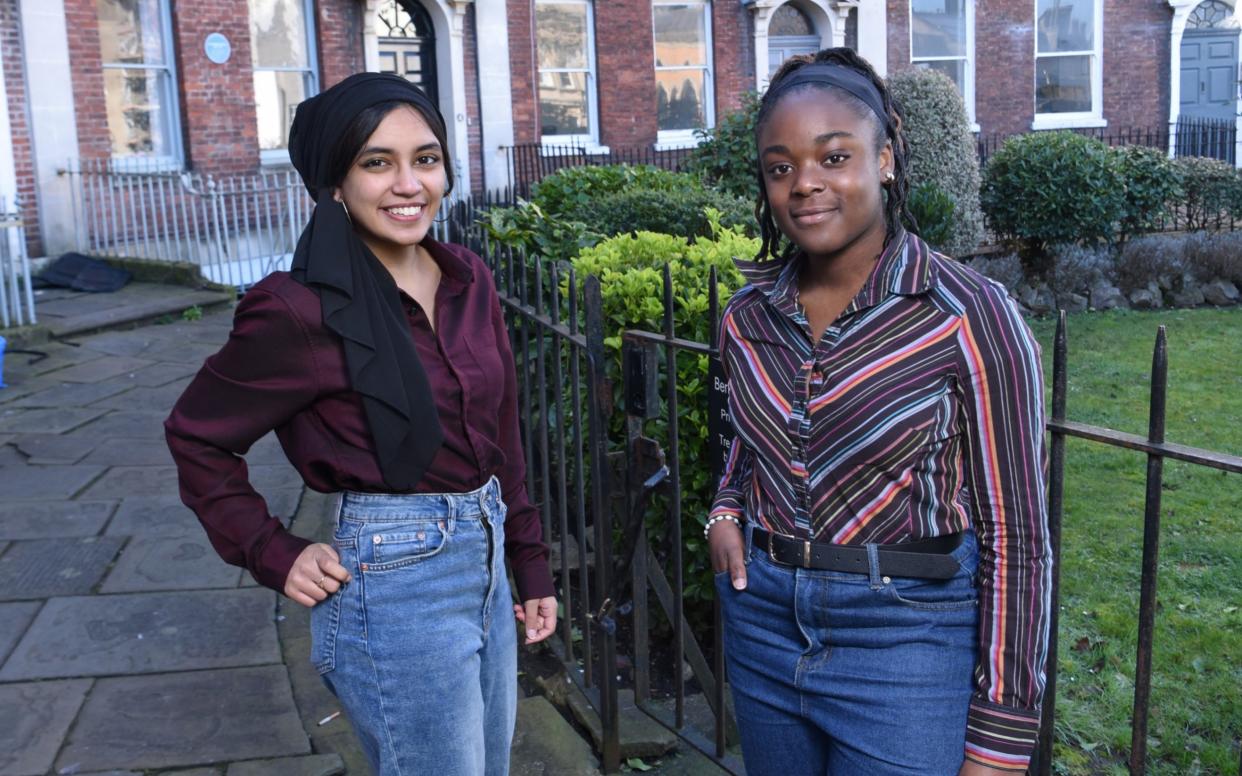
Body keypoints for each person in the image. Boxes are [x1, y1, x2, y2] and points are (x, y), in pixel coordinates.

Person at [165, 72, 556, 776]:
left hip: (487, 559)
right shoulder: (296, 310)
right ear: (335, 184)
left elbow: (503, 435)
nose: (409, 184)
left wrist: (528, 563)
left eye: (426, 159)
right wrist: (270, 548)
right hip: (394, 583)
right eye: (378, 163)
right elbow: (198, 435)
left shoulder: (468, 278)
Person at [706, 49, 1051, 775]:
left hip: (907, 639)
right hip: (764, 620)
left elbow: (1017, 533)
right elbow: (748, 442)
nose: (805, 184)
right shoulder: (748, 318)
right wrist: (725, 509)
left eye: (834, 157)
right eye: (780, 167)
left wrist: (1001, 737)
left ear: (886, 158)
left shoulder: (967, 316)